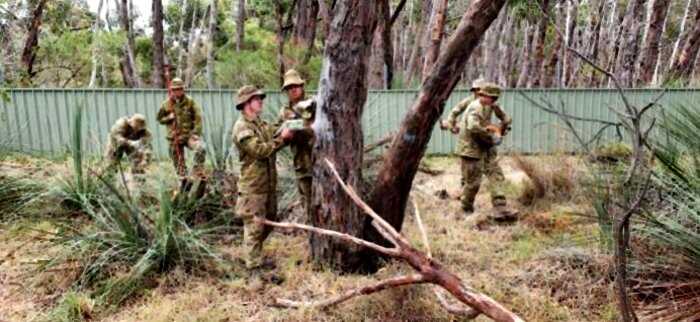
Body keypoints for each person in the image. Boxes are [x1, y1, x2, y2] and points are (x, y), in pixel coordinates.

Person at [232, 85, 293, 289]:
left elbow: (272, 130)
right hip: (253, 188)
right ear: (246, 104)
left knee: (269, 221)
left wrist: (286, 120)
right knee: (254, 229)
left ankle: (253, 256)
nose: (261, 101)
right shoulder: (242, 127)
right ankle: (253, 272)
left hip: (267, 185)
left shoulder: (259, 123)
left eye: (260, 98)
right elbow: (259, 150)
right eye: (256, 99)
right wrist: (282, 140)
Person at [458, 83, 517, 220]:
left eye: (495, 98)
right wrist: (490, 136)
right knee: (473, 183)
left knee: (496, 174)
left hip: (487, 147)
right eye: (492, 98)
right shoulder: (475, 108)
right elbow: (473, 127)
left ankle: (500, 204)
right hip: (471, 149)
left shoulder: (491, 104)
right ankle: (466, 208)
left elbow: (506, 118)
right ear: (482, 95)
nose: (494, 101)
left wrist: (502, 126)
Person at [277, 69, 315, 214]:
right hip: (302, 164)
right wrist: (298, 125)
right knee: (308, 205)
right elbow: (283, 133)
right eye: (289, 88)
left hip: (321, 162)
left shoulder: (312, 104)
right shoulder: (285, 110)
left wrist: (293, 125)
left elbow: (314, 127)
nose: (293, 90)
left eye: (295, 86)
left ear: (301, 86)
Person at [156, 77, 206, 177]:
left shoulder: (190, 102)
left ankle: (197, 172)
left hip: (188, 135)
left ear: (183, 89)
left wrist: (195, 133)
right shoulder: (166, 104)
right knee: (179, 164)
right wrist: (169, 118)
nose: (177, 92)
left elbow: (198, 118)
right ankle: (183, 180)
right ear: (171, 90)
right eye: (174, 89)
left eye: (179, 89)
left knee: (200, 148)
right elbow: (159, 119)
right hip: (174, 137)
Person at [103, 113, 153, 183]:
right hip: (116, 145)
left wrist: (145, 158)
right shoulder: (121, 124)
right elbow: (117, 137)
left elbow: (147, 145)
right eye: (136, 128)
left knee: (137, 162)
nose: (137, 130)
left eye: (139, 129)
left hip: (132, 146)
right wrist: (130, 142)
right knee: (111, 164)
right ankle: (108, 182)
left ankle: (139, 182)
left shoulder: (143, 132)